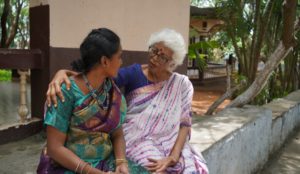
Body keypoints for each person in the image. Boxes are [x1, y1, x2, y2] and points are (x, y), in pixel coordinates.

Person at [46, 28, 209, 174]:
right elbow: (91, 75)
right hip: (122, 148)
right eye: (154, 51)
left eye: (163, 57)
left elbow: (184, 124)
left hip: (154, 146)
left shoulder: (180, 85)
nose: (154, 58)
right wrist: (62, 73)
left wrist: (123, 162)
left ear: (172, 63)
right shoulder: (66, 92)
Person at [37, 28, 148, 174]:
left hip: (105, 162)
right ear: (104, 61)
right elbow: (54, 148)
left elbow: (117, 133)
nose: (121, 62)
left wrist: (121, 162)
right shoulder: (66, 92)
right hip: (70, 166)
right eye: (119, 56)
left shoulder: (111, 91)